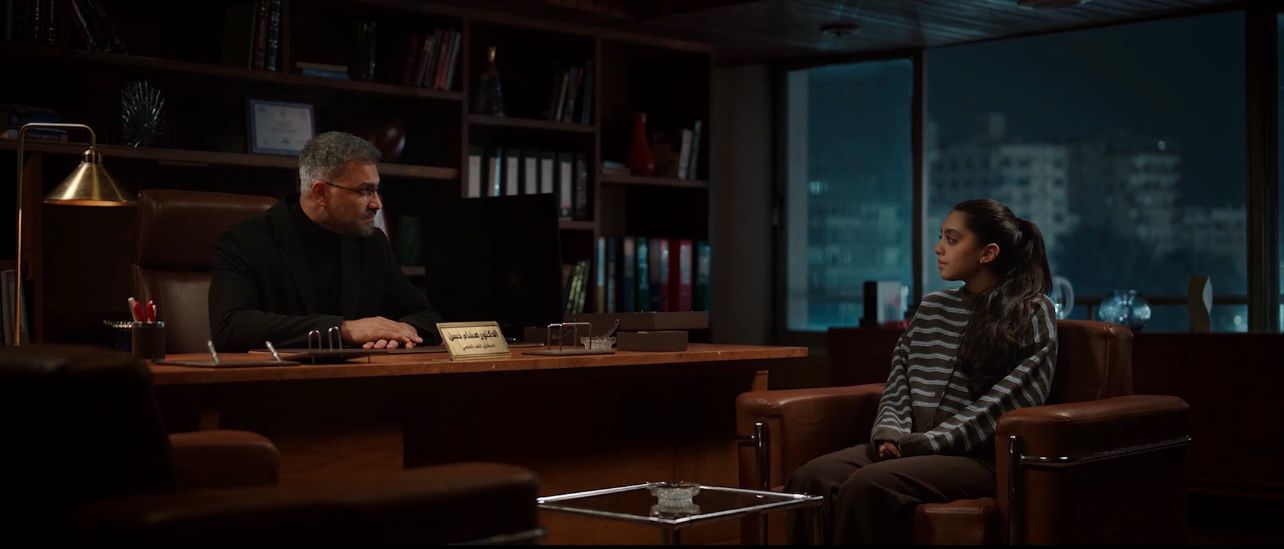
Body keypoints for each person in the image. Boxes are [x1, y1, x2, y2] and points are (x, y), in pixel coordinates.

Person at [787, 199, 1058, 544]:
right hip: (910, 444)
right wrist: (890, 432)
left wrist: (925, 443)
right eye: (941, 237)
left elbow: (1010, 403)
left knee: (869, 486)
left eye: (951, 239)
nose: (938, 248)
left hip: (976, 457)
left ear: (987, 253)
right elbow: (899, 379)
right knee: (811, 478)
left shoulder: (1031, 311)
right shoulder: (932, 307)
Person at [209, 131, 443, 352]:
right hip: (279, 378)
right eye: (364, 191)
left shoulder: (372, 242)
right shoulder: (245, 241)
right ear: (320, 192)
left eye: (377, 190)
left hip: (360, 375)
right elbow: (230, 327)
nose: (377, 204)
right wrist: (343, 329)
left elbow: (426, 316)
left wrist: (400, 332)